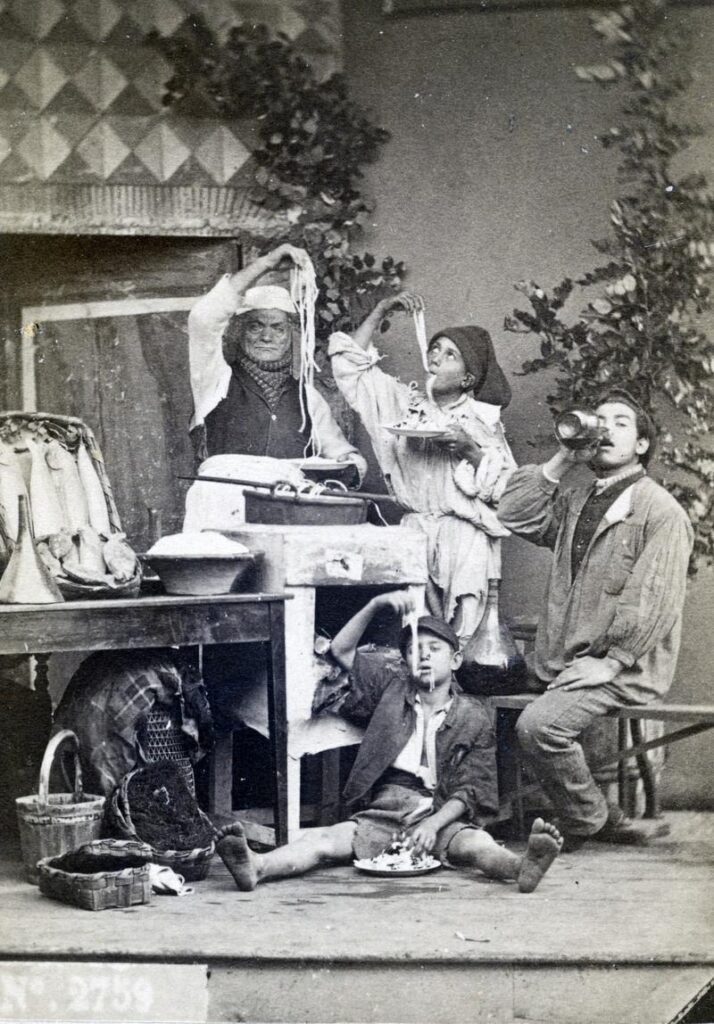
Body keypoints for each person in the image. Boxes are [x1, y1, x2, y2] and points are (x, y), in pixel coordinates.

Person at [216, 590, 563, 893]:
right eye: (414, 650)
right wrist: (376, 603)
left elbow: (472, 789)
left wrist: (433, 823)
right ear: (405, 663)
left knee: (475, 844)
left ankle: (521, 868)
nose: (424, 656)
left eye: (434, 649)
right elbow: (340, 650)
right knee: (323, 841)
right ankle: (257, 866)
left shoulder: (474, 716)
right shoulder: (390, 690)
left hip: (441, 810)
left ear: (455, 660)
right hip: (386, 807)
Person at [497, 388, 694, 851]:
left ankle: (591, 818)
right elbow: (513, 514)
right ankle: (526, 817)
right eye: (598, 420)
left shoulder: (659, 510)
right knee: (485, 707)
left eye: (620, 423)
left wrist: (612, 661)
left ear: (642, 444)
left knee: (539, 727)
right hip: (567, 661)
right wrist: (564, 457)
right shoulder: (577, 499)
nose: (605, 429)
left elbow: (654, 599)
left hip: (621, 667)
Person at [327, 293, 517, 644]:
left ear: (467, 378)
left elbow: (510, 491)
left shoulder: (483, 421)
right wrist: (382, 309)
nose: (435, 357)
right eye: (434, 349)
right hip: (415, 532)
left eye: (450, 354)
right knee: (416, 636)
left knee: (463, 635)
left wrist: (469, 450)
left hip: (466, 539)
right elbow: (349, 364)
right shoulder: (403, 403)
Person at [187, 242, 367, 480]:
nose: (267, 336)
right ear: (239, 332)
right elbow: (203, 319)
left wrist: (349, 463)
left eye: (278, 328)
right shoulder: (217, 380)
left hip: (287, 510)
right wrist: (267, 262)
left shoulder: (307, 398)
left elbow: (342, 454)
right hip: (226, 506)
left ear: (289, 336)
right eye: (256, 326)